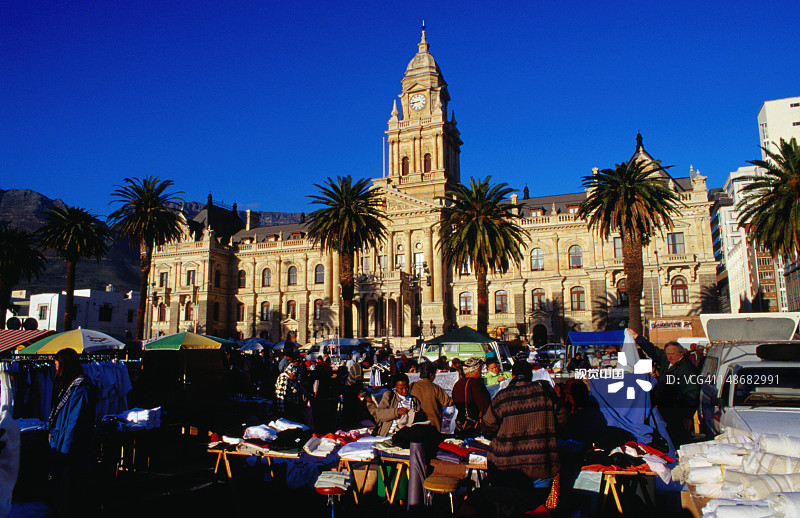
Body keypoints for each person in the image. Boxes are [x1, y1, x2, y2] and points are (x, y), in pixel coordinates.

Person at [481, 360, 567, 494]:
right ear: (531, 375)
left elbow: (487, 426)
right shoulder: (546, 394)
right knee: (536, 505)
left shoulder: (502, 397)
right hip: (542, 465)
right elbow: (563, 420)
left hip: (507, 467)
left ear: (513, 376)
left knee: (509, 504)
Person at [627, 329, 700, 447]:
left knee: (679, 437)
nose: (669, 356)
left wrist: (687, 416)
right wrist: (637, 337)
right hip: (666, 407)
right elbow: (653, 351)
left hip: (678, 411)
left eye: (672, 354)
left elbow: (692, 394)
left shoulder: (687, 370)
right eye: (667, 354)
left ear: (681, 354)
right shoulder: (667, 361)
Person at [48, 348, 97, 516]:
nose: (56, 371)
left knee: (71, 491)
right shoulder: (70, 387)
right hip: (63, 444)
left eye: (57, 367)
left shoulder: (80, 388)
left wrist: (65, 452)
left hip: (72, 449)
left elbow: (74, 422)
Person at [409, 361, 453, 432]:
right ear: (431, 375)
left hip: (415, 424)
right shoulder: (435, 388)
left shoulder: (412, 386)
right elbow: (447, 402)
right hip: (433, 424)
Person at [453, 358, 491, 436]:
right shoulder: (476, 383)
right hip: (474, 424)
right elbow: (485, 406)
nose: (480, 372)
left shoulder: (458, 383)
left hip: (461, 422)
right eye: (479, 370)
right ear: (473, 370)